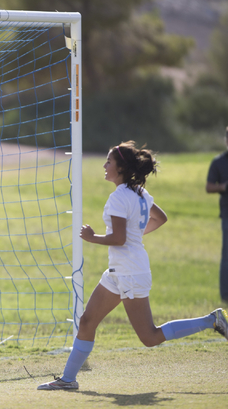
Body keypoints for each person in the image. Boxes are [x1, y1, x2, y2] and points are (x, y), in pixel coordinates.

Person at [38, 141, 228, 391]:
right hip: (120, 271)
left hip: (130, 272)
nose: (105, 165)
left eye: (109, 161)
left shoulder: (119, 197)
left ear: (121, 167)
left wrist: (92, 237)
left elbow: (118, 238)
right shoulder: (139, 193)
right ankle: (68, 379)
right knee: (86, 322)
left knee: (149, 337)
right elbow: (161, 218)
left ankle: (210, 320)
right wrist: (135, 235)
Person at [206, 126, 228, 302]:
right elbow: (209, 186)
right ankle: (225, 295)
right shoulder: (219, 162)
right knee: (226, 255)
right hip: (227, 213)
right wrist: (223, 187)